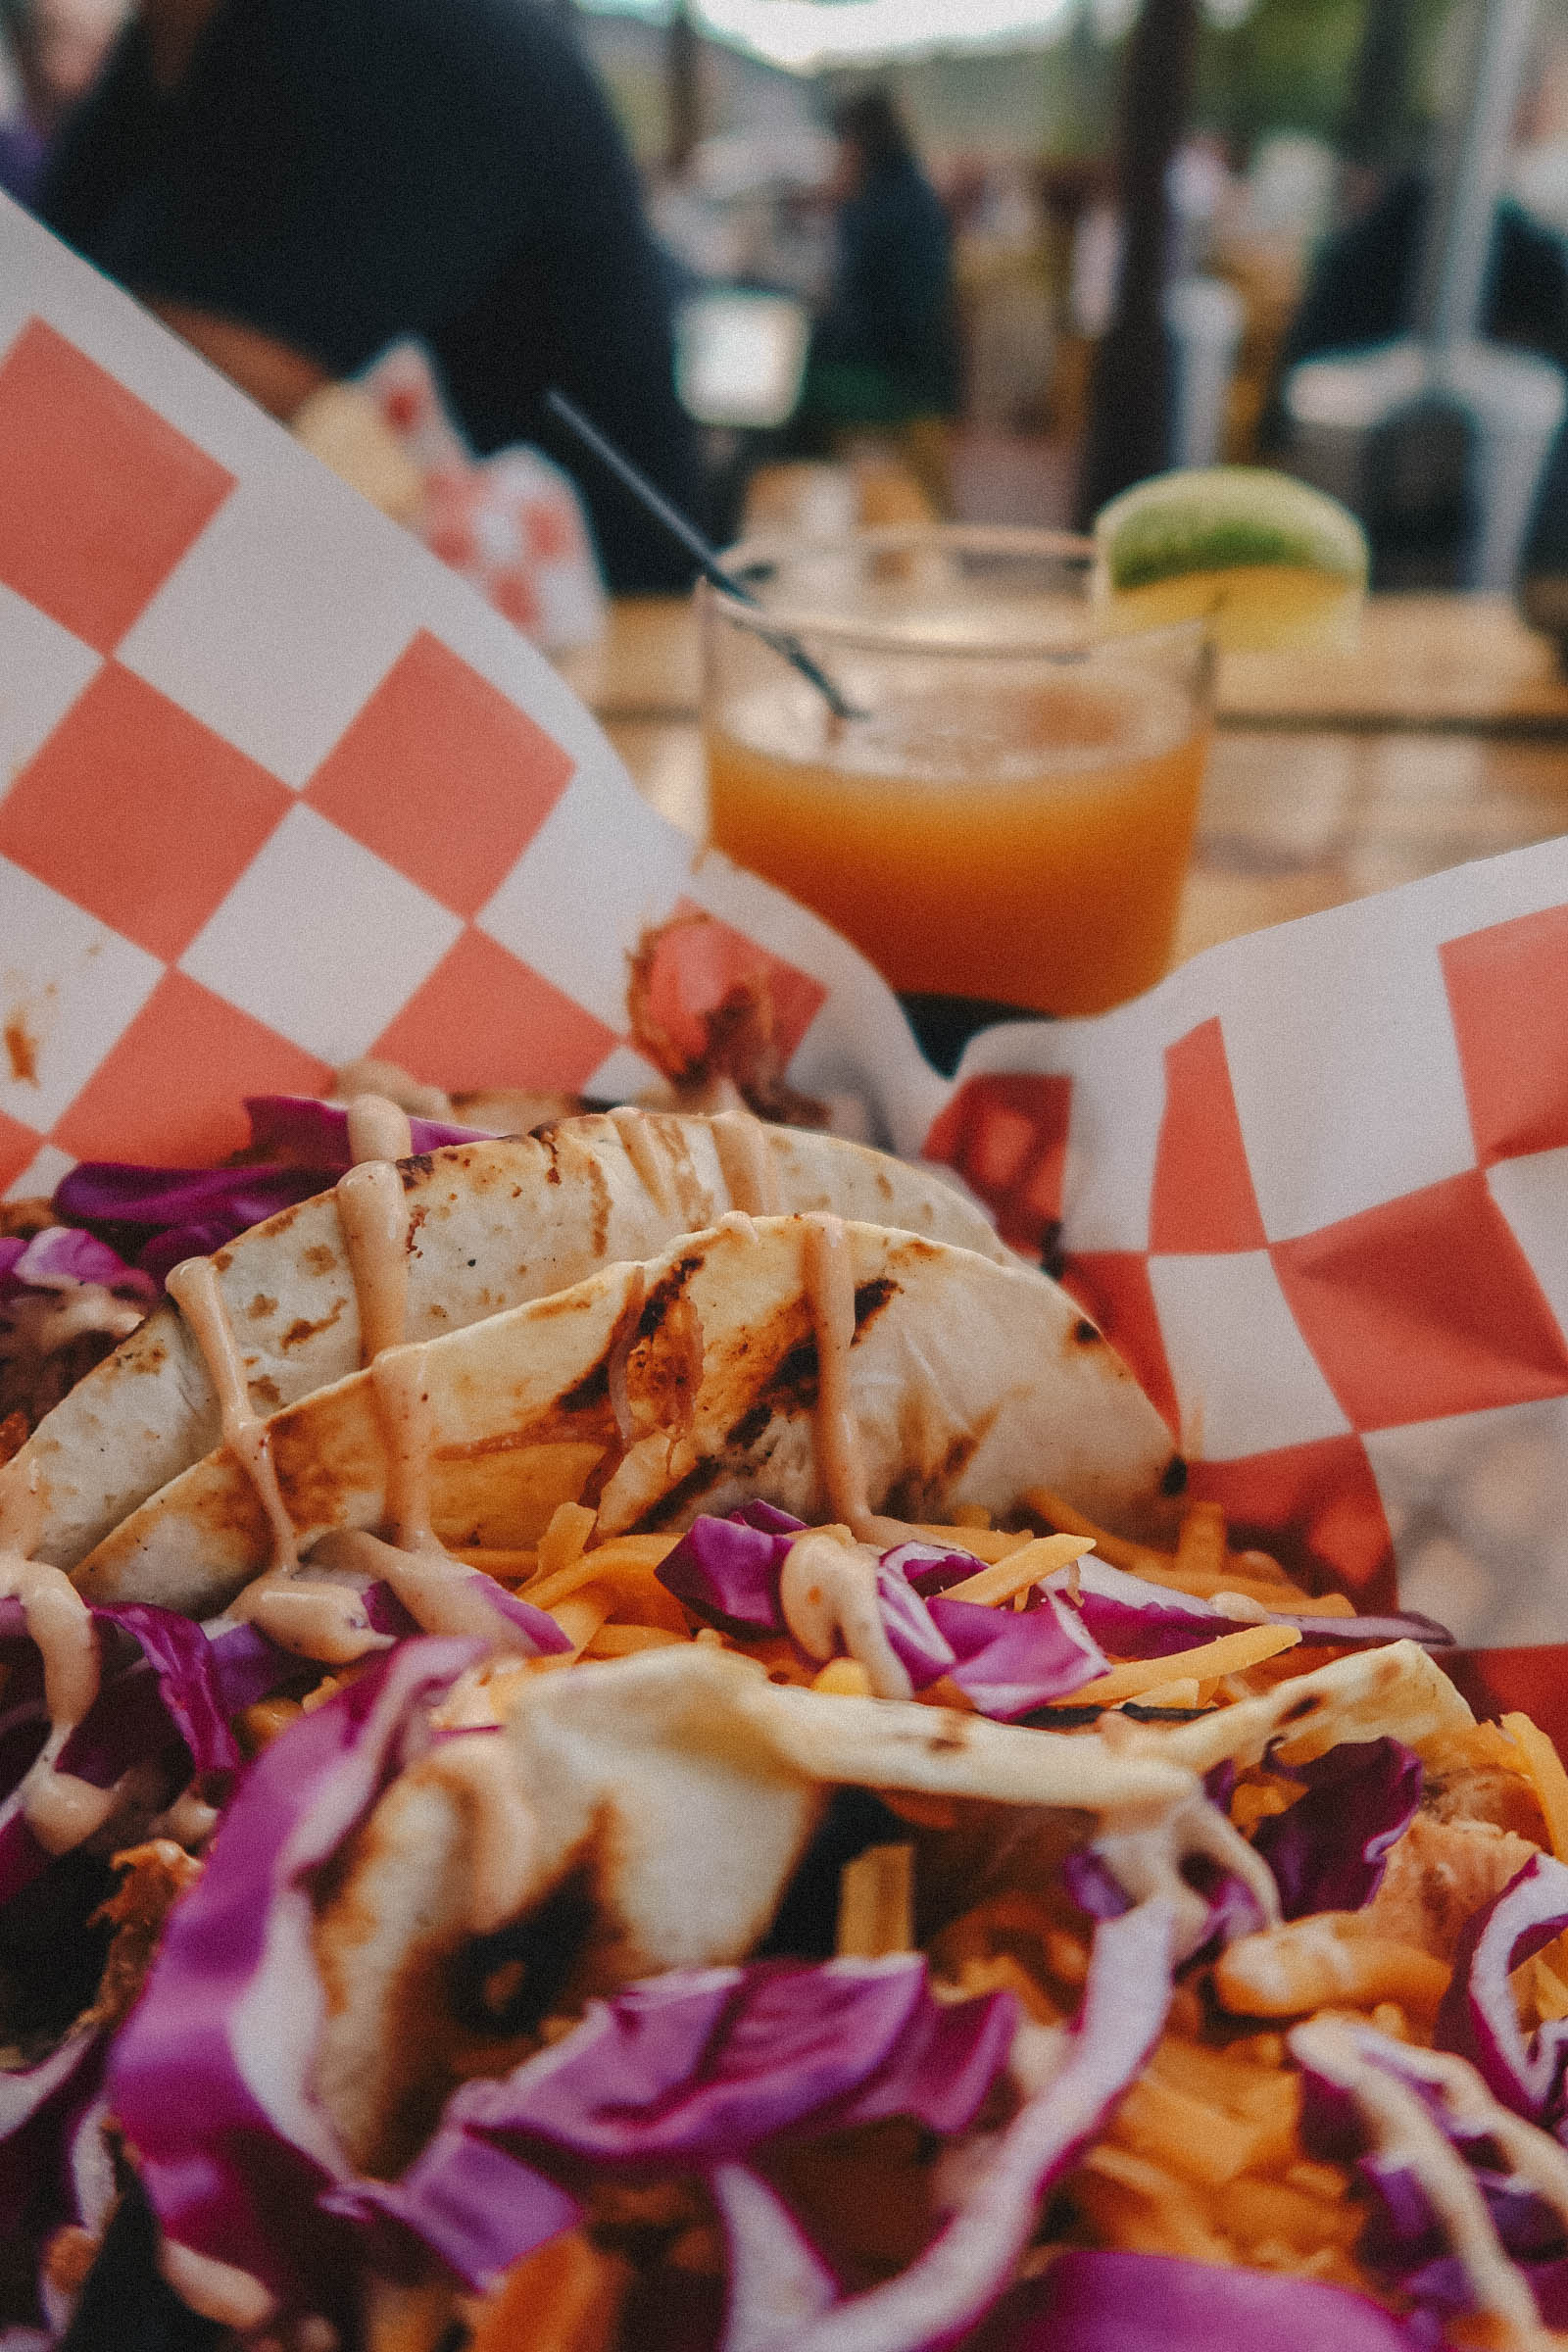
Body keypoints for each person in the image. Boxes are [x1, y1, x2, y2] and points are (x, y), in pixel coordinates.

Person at [38, 0, 705, 592]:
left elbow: (142, 405)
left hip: (593, 649)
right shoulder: (156, 59)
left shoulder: (394, 34)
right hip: (315, 621)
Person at [794, 87, 959, 444]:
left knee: (789, 389)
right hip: (919, 366)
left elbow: (871, 319)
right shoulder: (908, 189)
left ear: (859, 142)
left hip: (900, 380)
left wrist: (807, 327)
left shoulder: (877, 207)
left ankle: (807, 488)